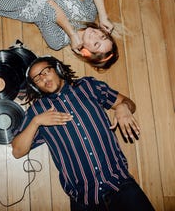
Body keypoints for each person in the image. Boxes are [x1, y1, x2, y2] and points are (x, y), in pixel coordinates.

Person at [11, 56, 154, 210]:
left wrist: (122, 107)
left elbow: (129, 104)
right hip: (84, 200)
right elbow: (17, 151)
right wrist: (36, 122)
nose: (43, 78)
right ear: (36, 87)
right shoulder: (37, 111)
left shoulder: (88, 86)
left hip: (121, 186)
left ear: (58, 69)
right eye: (37, 79)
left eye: (45, 71)